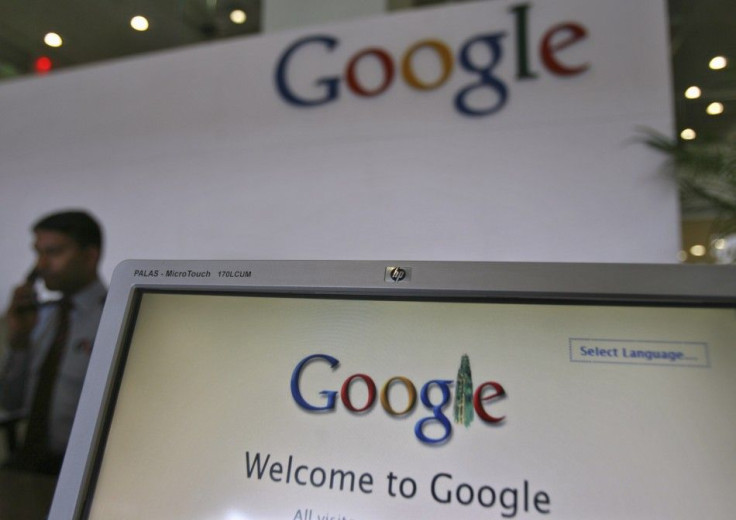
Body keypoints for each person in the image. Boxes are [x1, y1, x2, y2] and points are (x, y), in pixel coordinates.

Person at [0, 210, 106, 475]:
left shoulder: (115, 317)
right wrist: (19, 341)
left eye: (54, 252)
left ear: (89, 256)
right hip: (29, 466)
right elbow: (10, 403)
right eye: (38, 253)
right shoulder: (41, 317)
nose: (41, 265)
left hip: (83, 471)